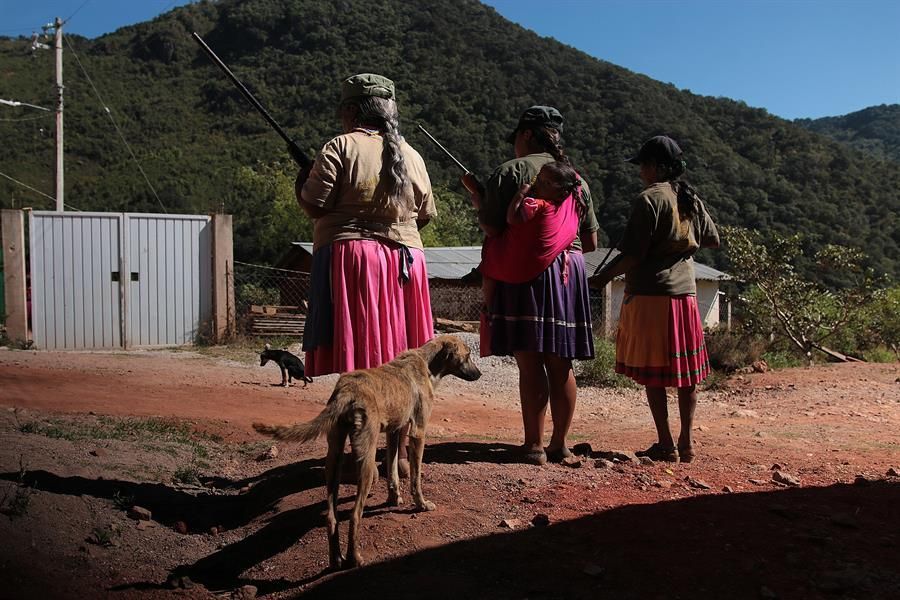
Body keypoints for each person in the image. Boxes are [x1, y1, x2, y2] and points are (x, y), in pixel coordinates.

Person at [296, 73, 436, 473]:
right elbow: (423, 215)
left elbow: (315, 205)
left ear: (352, 110)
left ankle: (363, 452)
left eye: (342, 109)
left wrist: (300, 184)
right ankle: (399, 457)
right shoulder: (412, 155)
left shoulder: (340, 146)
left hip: (355, 259)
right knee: (402, 360)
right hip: (407, 262)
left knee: (361, 353)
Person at [468, 106, 599, 465]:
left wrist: (480, 203)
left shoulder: (513, 172)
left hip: (525, 271)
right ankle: (560, 444)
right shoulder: (579, 181)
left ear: (526, 135)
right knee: (562, 363)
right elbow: (590, 243)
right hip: (569, 273)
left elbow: (495, 229)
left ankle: (533, 445)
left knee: (530, 363)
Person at [591, 135, 719, 463]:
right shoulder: (689, 197)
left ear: (656, 167)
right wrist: (678, 245)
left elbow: (633, 255)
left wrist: (602, 278)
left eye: (643, 165)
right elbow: (712, 239)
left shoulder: (649, 199)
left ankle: (666, 444)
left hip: (650, 295)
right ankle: (687, 442)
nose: (640, 172)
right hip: (685, 295)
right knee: (686, 372)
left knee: (653, 373)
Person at [479, 159, 585, 308]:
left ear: (560, 192)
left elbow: (512, 219)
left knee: (489, 265)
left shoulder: (535, 205)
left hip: (518, 268)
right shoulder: (567, 209)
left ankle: (487, 305)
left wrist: (520, 193)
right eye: (538, 178)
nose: (536, 184)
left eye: (544, 182)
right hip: (558, 271)